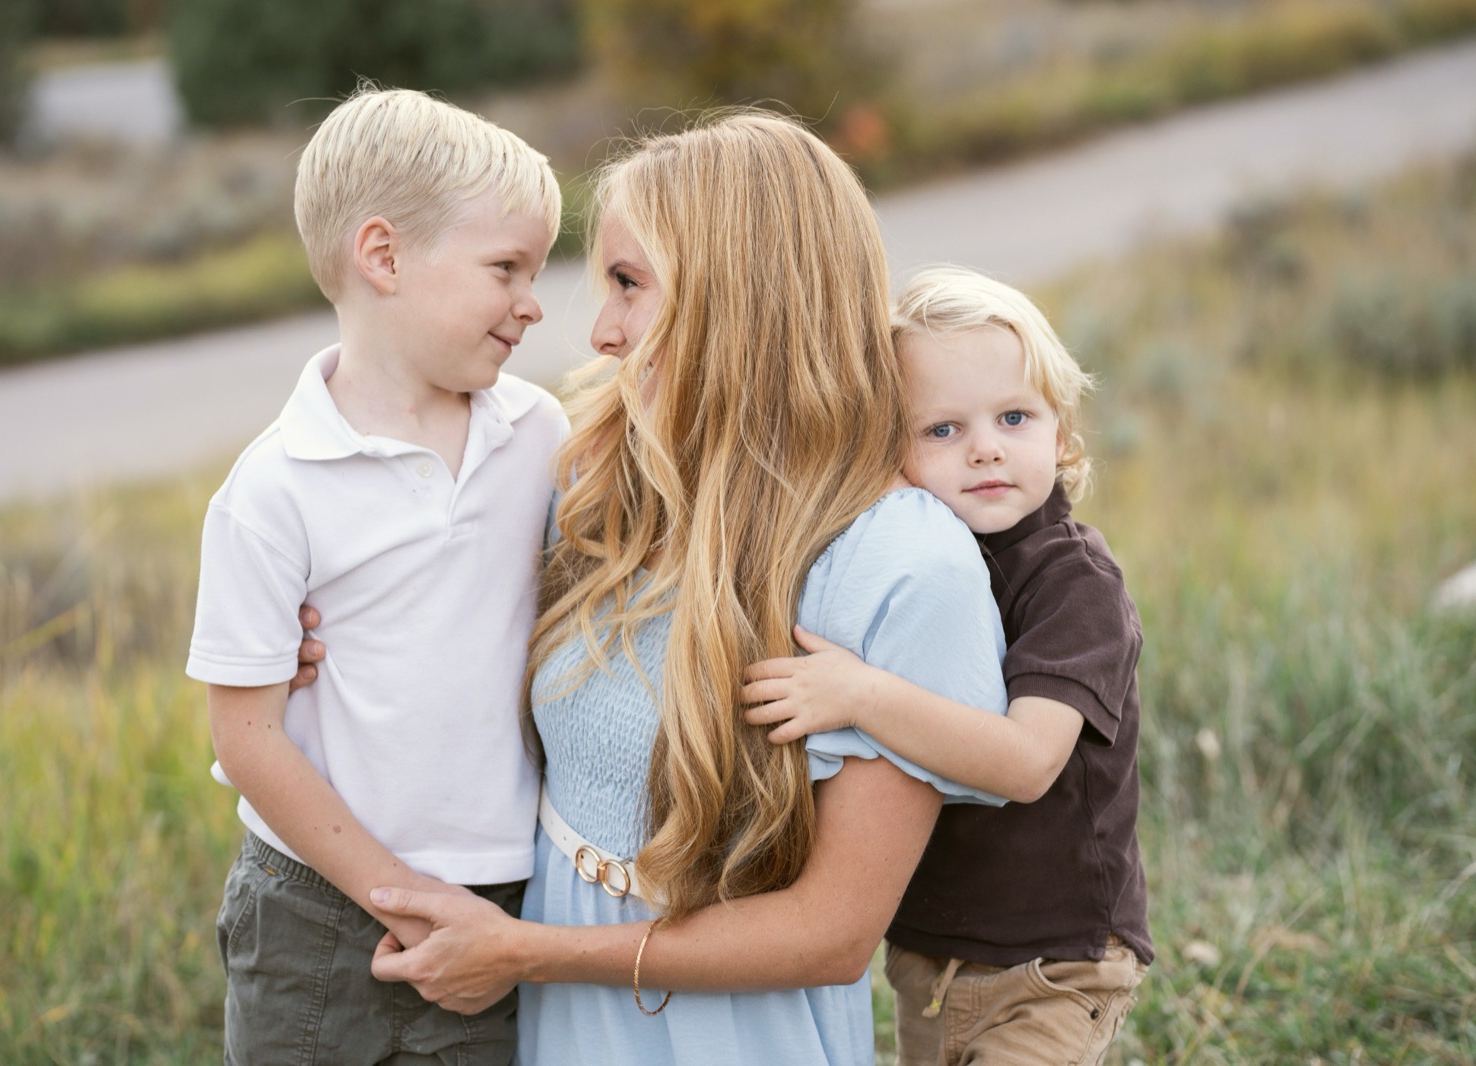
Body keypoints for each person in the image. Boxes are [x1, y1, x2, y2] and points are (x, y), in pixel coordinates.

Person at [360, 112, 1014, 1066]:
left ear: (736, 299)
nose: (601, 330)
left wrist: (527, 955)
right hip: (559, 1029)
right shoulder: (603, 480)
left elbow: (832, 933)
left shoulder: (903, 566)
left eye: (630, 284)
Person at [184, 86, 567, 1065]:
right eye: (506, 268)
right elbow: (246, 730)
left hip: (500, 897)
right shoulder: (273, 486)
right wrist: (400, 893)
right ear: (383, 255)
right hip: (314, 911)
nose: (533, 301)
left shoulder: (541, 436)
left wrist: (463, 909)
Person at [741, 265, 1151, 1066]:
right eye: (942, 431)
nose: (986, 448)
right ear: (891, 452)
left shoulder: (1074, 583)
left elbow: (1026, 763)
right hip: (928, 957)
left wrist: (859, 693)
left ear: (1061, 434)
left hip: (1053, 960)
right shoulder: (908, 557)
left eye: (1014, 417)